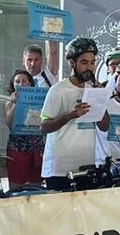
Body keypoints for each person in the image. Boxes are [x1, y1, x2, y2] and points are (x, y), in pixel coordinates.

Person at [40, 37, 109, 191]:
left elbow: (104, 127)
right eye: (84, 62)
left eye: (92, 62)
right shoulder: (58, 90)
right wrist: (69, 115)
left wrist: (100, 99)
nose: (89, 67)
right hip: (59, 169)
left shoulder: (93, 89)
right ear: (72, 63)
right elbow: (43, 127)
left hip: (87, 166)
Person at [4, 70, 44, 188]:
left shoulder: (39, 100)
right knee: (16, 186)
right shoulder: (9, 102)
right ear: (13, 84)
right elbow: (9, 125)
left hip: (36, 148)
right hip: (17, 148)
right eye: (17, 81)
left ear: (30, 83)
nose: (21, 84)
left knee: (36, 186)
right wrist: (16, 103)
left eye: (24, 81)